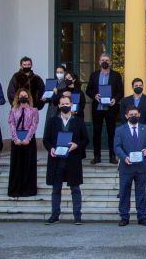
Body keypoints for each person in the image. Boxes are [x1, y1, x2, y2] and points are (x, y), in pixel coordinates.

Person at [43, 95, 89, 225]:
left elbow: (86, 139)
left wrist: (77, 145)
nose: (65, 106)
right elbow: (46, 139)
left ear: (71, 105)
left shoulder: (78, 121)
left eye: (67, 103)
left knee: (75, 189)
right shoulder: (52, 121)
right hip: (56, 160)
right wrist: (51, 148)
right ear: (59, 105)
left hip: (73, 160)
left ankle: (77, 216)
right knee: (56, 189)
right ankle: (55, 215)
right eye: (62, 104)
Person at [114, 105, 146, 226]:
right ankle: (124, 217)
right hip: (126, 166)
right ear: (126, 116)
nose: (133, 116)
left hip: (141, 167)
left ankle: (142, 217)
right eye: (131, 115)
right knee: (124, 192)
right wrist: (124, 157)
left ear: (139, 115)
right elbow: (117, 146)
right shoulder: (120, 130)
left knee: (141, 193)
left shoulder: (145, 129)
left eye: (135, 114)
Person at [121, 77, 146, 198]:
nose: (138, 87)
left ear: (143, 86)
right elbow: (123, 117)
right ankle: (122, 190)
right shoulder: (125, 101)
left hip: (144, 136)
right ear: (132, 87)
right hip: (129, 136)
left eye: (140, 85)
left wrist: (142, 129)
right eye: (136, 85)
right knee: (125, 162)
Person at [85, 53, 123, 164]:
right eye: (102, 60)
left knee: (112, 133)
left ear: (110, 62)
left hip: (111, 108)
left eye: (107, 60)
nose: (104, 62)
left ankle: (112, 156)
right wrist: (95, 95)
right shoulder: (94, 75)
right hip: (97, 108)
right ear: (99, 62)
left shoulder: (116, 75)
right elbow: (88, 90)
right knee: (97, 133)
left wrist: (115, 99)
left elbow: (121, 91)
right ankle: (97, 157)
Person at [7, 88, 39, 197]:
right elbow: (11, 124)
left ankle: (28, 189)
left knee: (28, 164)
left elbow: (34, 125)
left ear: (29, 97)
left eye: (25, 95)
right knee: (17, 165)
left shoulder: (34, 110)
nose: (23, 97)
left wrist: (27, 139)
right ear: (18, 97)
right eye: (21, 96)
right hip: (16, 140)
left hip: (29, 140)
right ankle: (15, 189)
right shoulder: (13, 110)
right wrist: (15, 139)